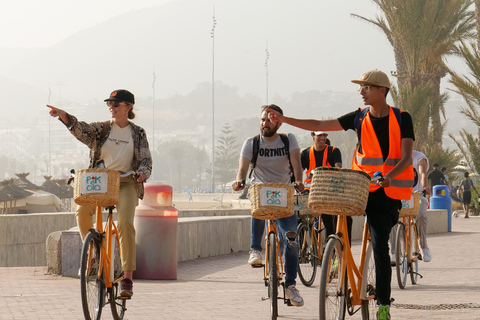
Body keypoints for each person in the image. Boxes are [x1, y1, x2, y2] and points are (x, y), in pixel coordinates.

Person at [266, 69, 414, 320]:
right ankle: (337, 256)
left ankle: (382, 305)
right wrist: (284, 119)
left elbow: (406, 156)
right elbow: (319, 125)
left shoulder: (402, 118)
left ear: (382, 91)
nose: (361, 92)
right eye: (361, 87)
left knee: (379, 244)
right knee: (336, 220)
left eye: (366, 87)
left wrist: (388, 177)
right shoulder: (358, 117)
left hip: (387, 192)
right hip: (360, 187)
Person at [47, 89, 152, 298]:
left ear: (128, 107)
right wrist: (64, 116)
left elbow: (146, 160)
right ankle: (93, 252)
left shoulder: (137, 133)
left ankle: (127, 278)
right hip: (100, 181)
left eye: (116, 105)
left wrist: (142, 173)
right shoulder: (102, 129)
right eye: (109, 105)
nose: (111, 108)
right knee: (81, 210)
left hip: (126, 182)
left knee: (124, 223)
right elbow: (81, 130)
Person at [232, 104, 305, 307]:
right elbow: (242, 169)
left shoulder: (288, 140)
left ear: (279, 122)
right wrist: (239, 181)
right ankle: (255, 249)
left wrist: (299, 181)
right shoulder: (252, 143)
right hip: (261, 190)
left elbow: (297, 165)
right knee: (257, 203)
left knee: (291, 239)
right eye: (263, 119)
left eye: (270, 120)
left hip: (284, 192)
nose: (265, 123)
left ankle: (290, 285)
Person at [300, 131, 349, 239]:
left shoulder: (334, 151)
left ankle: (330, 247)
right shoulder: (305, 153)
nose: (322, 138)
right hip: (310, 192)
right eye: (319, 135)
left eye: (325, 135)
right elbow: (299, 172)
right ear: (313, 136)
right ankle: (300, 248)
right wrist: (296, 181)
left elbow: (338, 169)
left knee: (328, 217)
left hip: (328, 191)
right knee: (299, 216)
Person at [390, 150, 432, 264]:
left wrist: (424, 187)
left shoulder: (419, 157)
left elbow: (422, 172)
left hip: (417, 194)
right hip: (399, 194)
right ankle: (395, 252)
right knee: (391, 217)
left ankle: (423, 246)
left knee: (421, 215)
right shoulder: (393, 155)